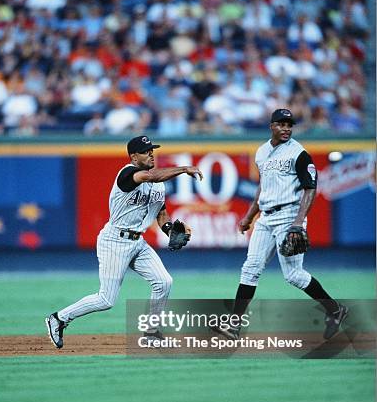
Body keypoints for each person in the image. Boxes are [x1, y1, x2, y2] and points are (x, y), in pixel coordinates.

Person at [45, 135, 203, 348]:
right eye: (146, 151)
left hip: (138, 243)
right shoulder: (127, 174)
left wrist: (170, 231)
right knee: (106, 300)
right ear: (133, 156)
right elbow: (152, 176)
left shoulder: (158, 186)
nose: (151, 153)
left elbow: (161, 214)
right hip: (114, 241)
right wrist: (184, 168)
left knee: (164, 282)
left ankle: (152, 334)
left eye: (152, 150)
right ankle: (59, 318)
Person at [228, 108, 348, 341]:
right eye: (281, 124)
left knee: (293, 275)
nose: (286, 129)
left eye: (289, 125)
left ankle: (335, 309)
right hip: (265, 218)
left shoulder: (299, 153)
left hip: (289, 215)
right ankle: (234, 325)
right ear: (271, 126)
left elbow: (310, 188)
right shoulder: (262, 152)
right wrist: (249, 216)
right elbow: (263, 188)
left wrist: (297, 222)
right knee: (250, 269)